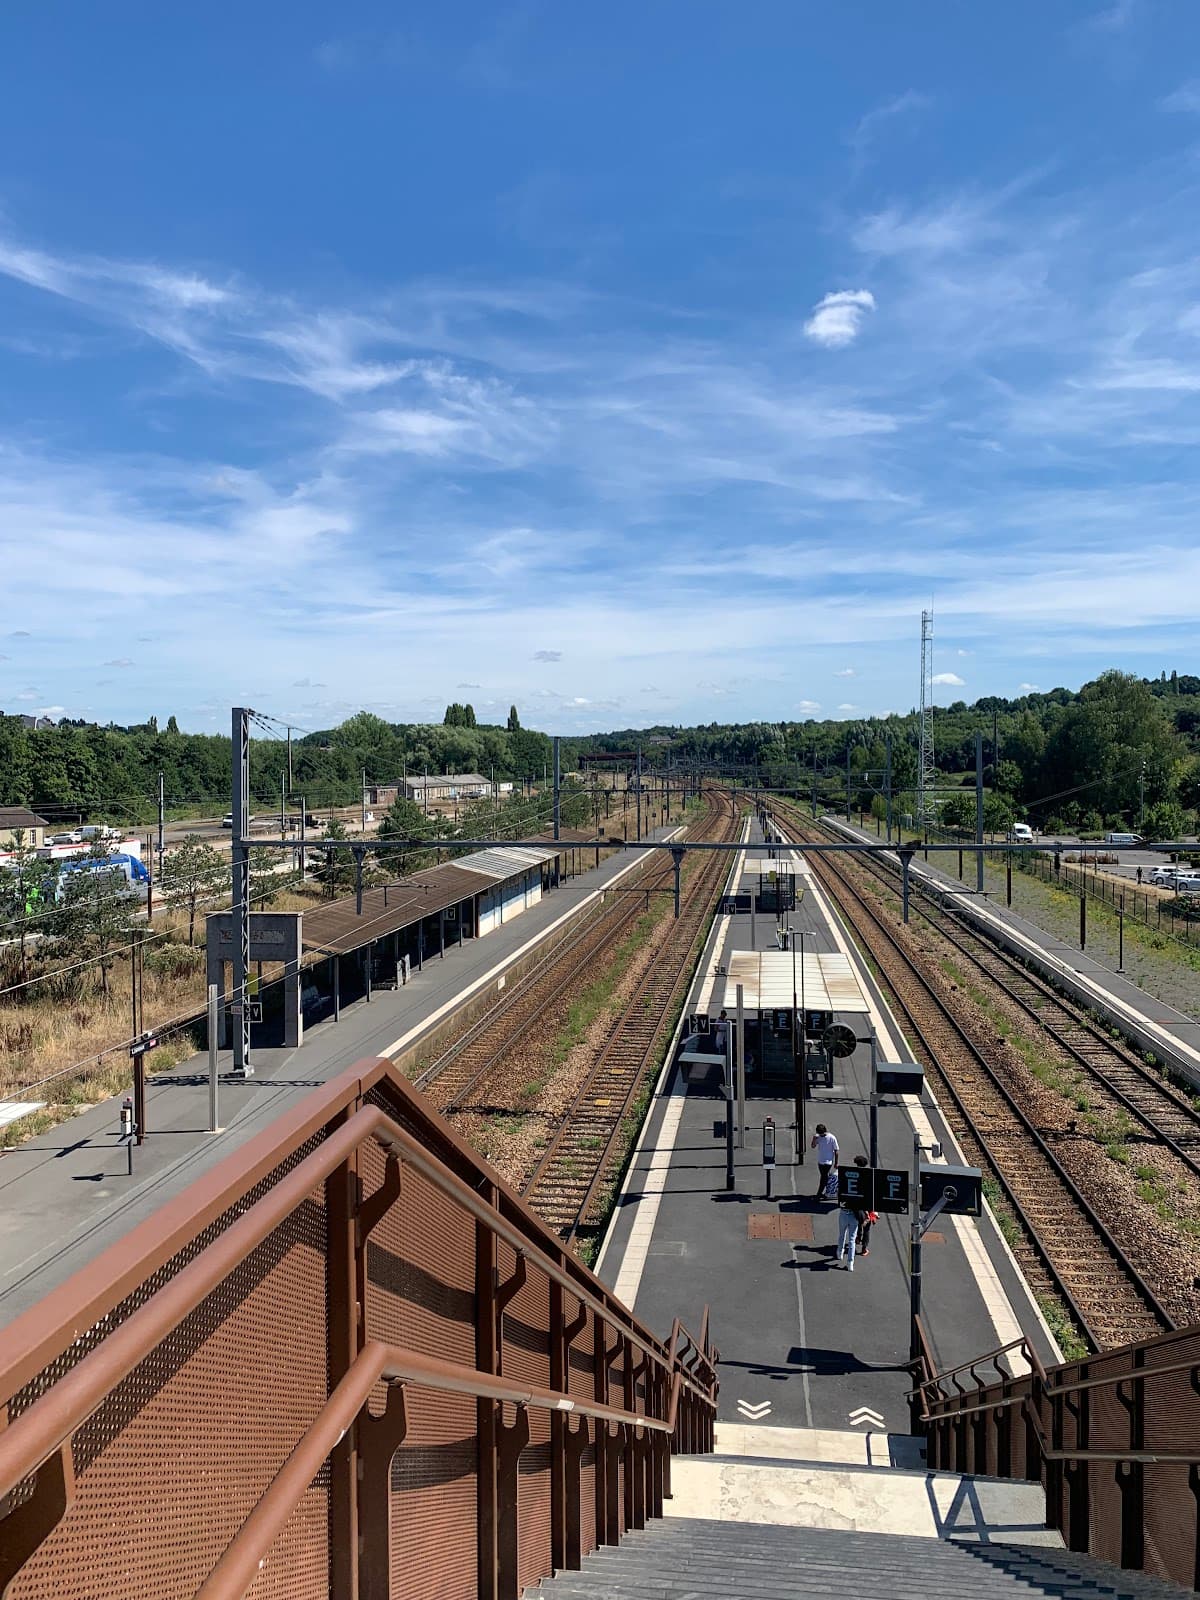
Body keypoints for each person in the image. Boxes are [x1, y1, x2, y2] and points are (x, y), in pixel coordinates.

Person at [853, 1155, 875, 1257]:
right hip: (865, 1205)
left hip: (855, 1205)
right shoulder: (868, 1175)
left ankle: (858, 1237)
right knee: (867, 1227)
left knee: (859, 1221)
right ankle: (864, 1248)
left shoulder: (853, 1174)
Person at [811, 1123, 839, 1199]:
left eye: (822, 1134)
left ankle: (819, 1194)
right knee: (824, 1177)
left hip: (828, 1162)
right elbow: (813, 1146)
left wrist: (836, 1162)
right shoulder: (818, 1137)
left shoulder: (832, 1137)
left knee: (823, 1177)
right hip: (820, 1161)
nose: (821, 1135)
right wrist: (814, 1139)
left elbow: (836, 1150)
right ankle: (829, 1191)